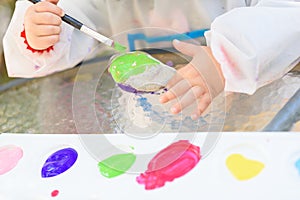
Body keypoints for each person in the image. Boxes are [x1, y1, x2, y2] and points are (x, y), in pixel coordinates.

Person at [3, 0, 300, 120]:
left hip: (251, 114)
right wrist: (40, 32)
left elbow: (288, 13)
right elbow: (74, 20)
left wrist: (227, 58)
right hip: (155, 123)